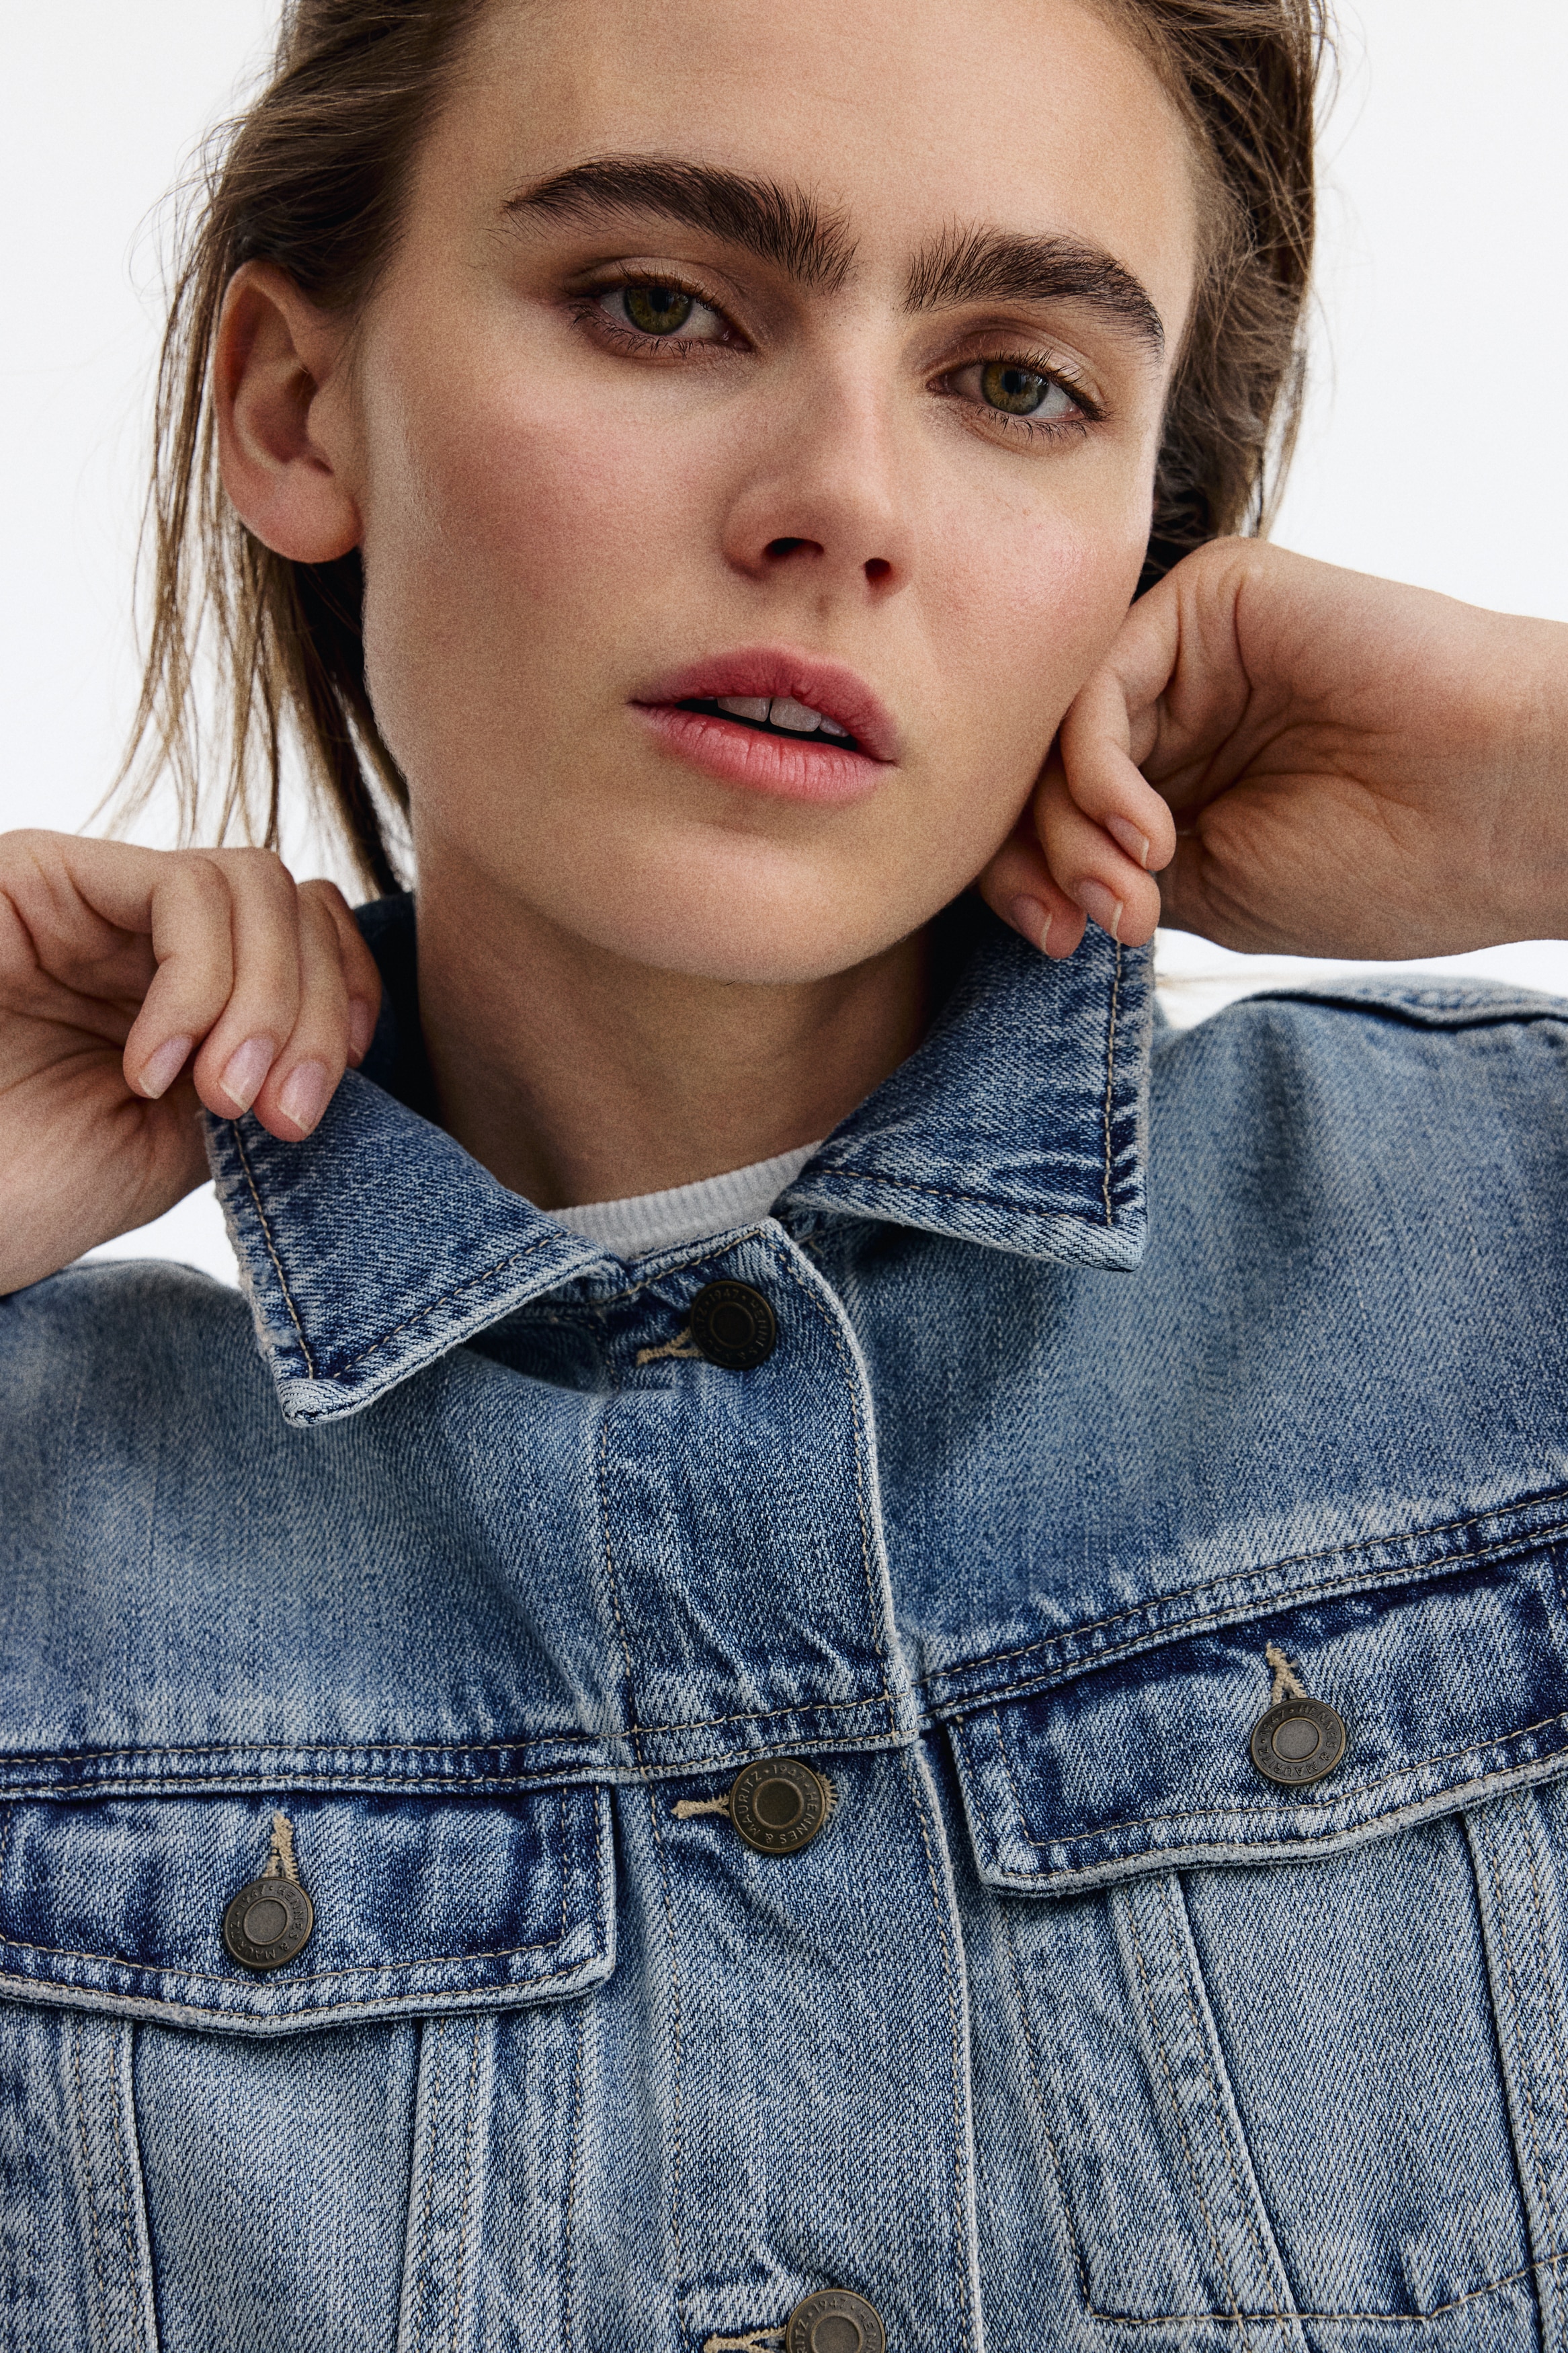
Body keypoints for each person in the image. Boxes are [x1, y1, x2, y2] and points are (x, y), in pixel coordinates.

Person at [3, 0, 1567, 2346]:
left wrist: (1548, 772)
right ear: (297, 408)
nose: (843, 497)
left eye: (1018, 382)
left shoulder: (1514, 1253)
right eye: (659, 304)